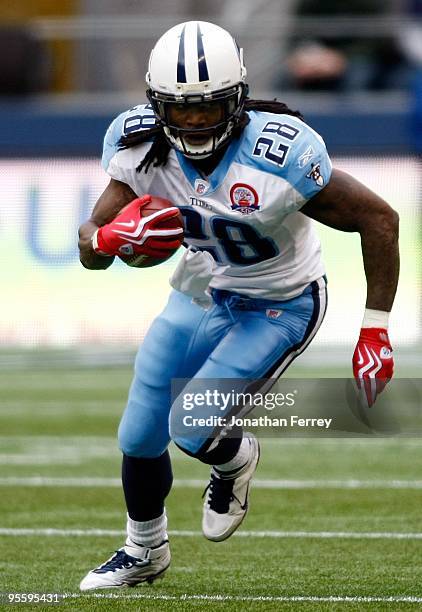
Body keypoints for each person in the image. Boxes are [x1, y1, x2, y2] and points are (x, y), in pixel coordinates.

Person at [78, 20, 399, 590]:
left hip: (280, 299)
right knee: (139, 430)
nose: (196, 121)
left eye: (209, 107)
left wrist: (374, 329)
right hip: (202, 284)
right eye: (182, 110)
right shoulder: (139, 147)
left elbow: (379, 218)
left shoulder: (281, 154)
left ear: (238, 99)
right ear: (157, 105)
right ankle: (143, 549)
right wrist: (105, 241)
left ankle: (234, 457)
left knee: (193, 426)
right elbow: (91, 245)